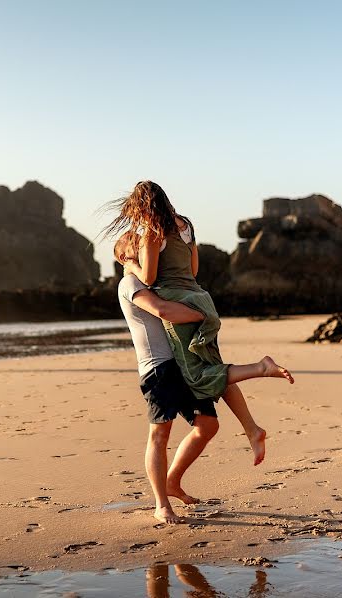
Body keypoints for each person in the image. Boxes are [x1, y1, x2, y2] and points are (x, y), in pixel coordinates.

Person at [115, 234, 276, 524]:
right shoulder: (130, 284)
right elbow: (164, 311)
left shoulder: (154, 282)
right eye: (133, 247)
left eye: (142, 246)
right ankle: (161, 504)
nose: (141, 249)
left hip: (181, 364)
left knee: (207, 425)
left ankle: (172, 481)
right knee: (160, 434)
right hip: (157, 369)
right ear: (122, 257)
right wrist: (203, 315)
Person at [105, 182, 295, 403]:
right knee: (213, 365)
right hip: (200, 298)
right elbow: (194, 270)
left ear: (142, 207)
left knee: (196, 376)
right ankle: (252, 430)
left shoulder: (153, 231)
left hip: (177, 301)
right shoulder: (186, 225)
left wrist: (130, 266)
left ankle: (261, 367)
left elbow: (148, 278)